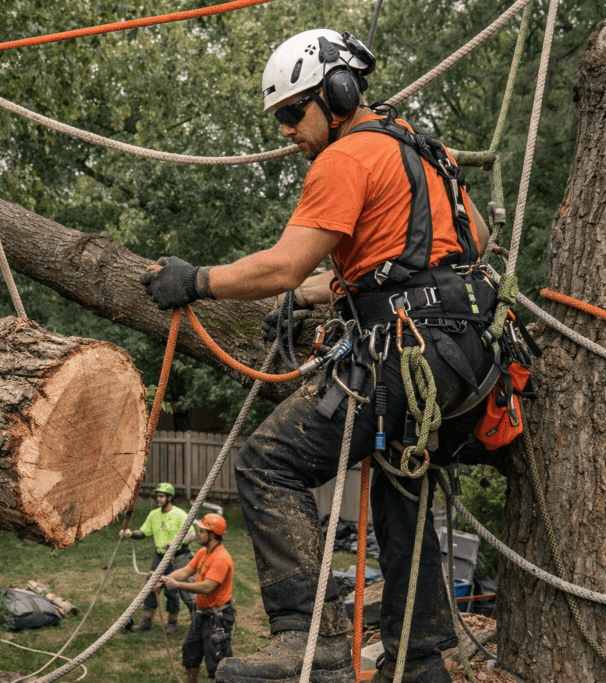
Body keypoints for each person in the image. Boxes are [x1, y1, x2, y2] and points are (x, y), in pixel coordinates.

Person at [139, 28, 498, 683]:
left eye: (291, 112)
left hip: (403, 352)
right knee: (400, 481)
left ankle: (309, 636)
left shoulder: (344, 158)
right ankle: (419, 660)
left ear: (337, 94)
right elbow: (471, 236)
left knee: (267, 462)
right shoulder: (423, 147)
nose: (286, 130)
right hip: (466, 353)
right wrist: (321, 292)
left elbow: (280, 263)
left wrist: (195, 280)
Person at [159, 513, 235, 683]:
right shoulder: (203, 552)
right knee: (190, 652)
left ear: (212, 535)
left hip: (218, 618)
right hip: (202, 613)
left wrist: (177, 585)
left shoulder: (221, 559)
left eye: (202, 531)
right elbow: (185, 571)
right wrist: (163, 579)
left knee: (218, 661)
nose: (198, 533)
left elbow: (208, 587)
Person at [120, 482, 196, 633]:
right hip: (159, 557)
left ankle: (176, 623)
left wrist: (175, 543)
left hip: (178, 558)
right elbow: (144, 533)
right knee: (150, 588)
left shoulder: (180, 514)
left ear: (169, 497)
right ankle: (145, 623)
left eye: (161, 496)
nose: (158, 499)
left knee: (175, 590)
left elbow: (192, 534)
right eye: (157, 496)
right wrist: (130, 534)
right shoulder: (154, 515)